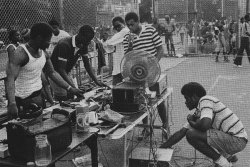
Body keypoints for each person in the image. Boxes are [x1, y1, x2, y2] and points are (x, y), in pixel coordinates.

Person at [6, 22, 84, 119]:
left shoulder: (43, 52)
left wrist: (70, 88)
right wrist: (12, 103)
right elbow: (10, 79)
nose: (49, 43)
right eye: (48, 40)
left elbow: (52, 73)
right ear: (39, 38)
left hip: (38, 97)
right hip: (22, 101)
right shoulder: (20, 53)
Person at [160, 82, 247, 167]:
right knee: (195, 130)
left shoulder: (205, 100)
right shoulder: (199, 111)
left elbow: (204, 125)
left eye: (186, 98)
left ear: (194, 97)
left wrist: (191, 122)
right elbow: (181, 132)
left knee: (191, 134)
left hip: (237, 141)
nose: (185, 102)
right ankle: (228, 156)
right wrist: (162, 147)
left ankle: (224, 163)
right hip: (236, 140)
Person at [123, 12, 168, 140]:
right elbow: (127, 57)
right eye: (128, 25)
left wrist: (154, 64)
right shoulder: (127, 37)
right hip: (138, 73)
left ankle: (165, 125)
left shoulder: (150, 31)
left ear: (138, 22)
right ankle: (146, 128)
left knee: (158, 99)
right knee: (141, 100)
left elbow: (160, 50)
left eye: (132, 24)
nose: (130, 27)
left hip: (153, 71)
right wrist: (130, 46)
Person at [50, 25, 106, 101]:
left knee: (71, 95)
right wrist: (73, 87)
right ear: (80, 36)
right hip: (56, 73)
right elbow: (61, 69)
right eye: (88, 40)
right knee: (62, 97)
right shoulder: (64, 44)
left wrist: (96, 81)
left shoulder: (83, 44)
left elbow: (87, 64)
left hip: (66, 72)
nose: (89, 42)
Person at [102, 16, 129, 85]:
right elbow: (109, 49)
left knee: (123, 89)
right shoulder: (118, 35)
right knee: (116, 89)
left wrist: (105, 42)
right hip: (118, 67)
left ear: (123, 23)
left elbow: (109, 43)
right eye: (115, 27)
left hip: (125, 67)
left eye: (118, 25)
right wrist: (105, 40)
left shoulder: (125, 31)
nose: (117, 28)